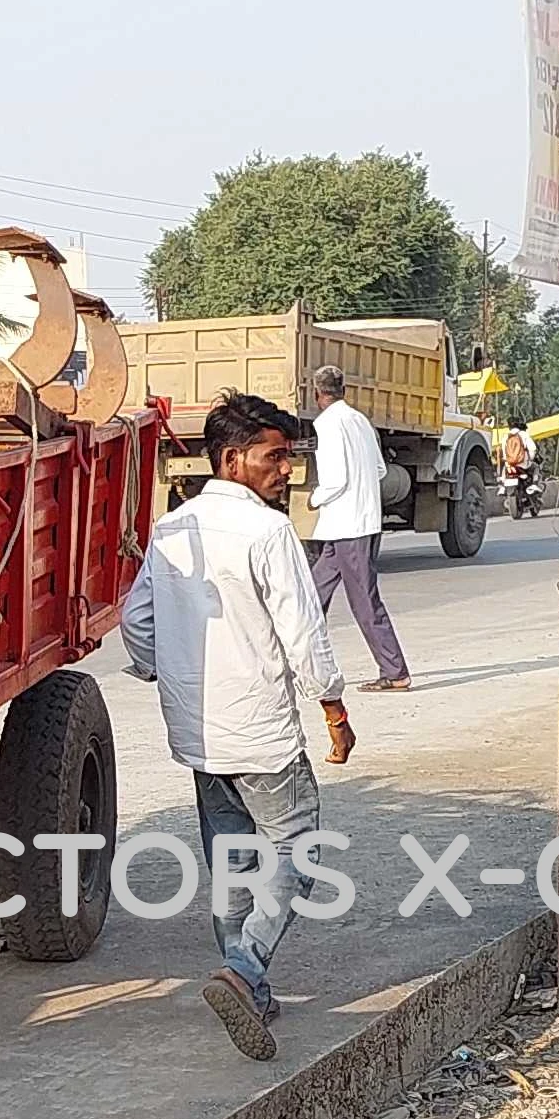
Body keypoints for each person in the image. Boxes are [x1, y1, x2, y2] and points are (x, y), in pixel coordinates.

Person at [119, 393, 355, 1063]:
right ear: (232, 459)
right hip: (261, 729)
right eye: (274, 457)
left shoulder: (173, 531)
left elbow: (137, 623)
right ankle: (246, 967)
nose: (287, 471)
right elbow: (303, 633)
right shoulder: (268, 533)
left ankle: (248, 983)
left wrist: (161, 671)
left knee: (231, 860)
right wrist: (333, 707)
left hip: (197, 729)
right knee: (297, 851)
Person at [301, 367, 412, 691]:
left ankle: (395, 672)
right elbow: (379, 469)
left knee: (364, 600)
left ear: (317, 393)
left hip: (347, 524)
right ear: (342, 389)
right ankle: (299, 662)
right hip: (356, 522)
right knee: (312, 593)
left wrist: (315, 498)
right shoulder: (360, 421)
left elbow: (336, 480)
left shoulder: (327, 424)